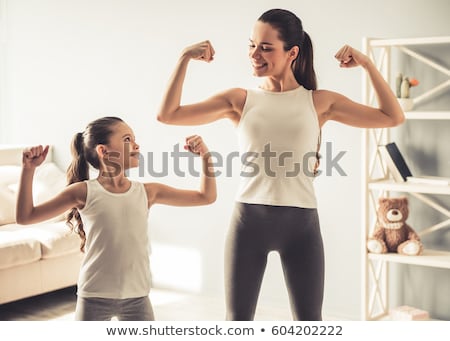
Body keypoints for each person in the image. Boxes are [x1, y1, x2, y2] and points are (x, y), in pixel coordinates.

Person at [156, 8, 404, 321]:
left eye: (265, 47)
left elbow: (392, 117)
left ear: (292, 52)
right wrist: (184, 58)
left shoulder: (319, 102)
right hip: (248, 222)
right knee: (237, 322)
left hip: (301, 228)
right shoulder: (239, 100)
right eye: (251, 45)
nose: (254, 54)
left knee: (309, 323)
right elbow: (168, 114)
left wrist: (367, 64)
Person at [15, 116, 216, 321]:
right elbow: (26, 216)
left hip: (137, 297)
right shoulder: (83, 192)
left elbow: (205, 197)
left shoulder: (148, 192)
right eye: (127, 139)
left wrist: (205, 156)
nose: (136, 144)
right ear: (104, 151)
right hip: (94, 296)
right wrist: (28, 169)